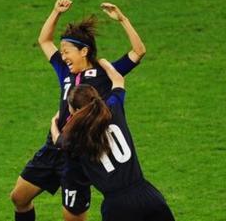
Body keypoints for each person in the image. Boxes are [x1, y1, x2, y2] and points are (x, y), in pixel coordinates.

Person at [10, 0, 146, 221]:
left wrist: (123, 19)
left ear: (84, 51)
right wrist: (56, 12)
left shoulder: (105, 73)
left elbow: (138, 52)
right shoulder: (64, 70)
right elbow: (44, 41)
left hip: (78, 156)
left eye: (66, 51)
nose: (62, 56)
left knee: (72, 219)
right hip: (53, 147)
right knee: (19, 198)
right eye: (61, 52)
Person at [50, 59, 175, 221]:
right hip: (147, 195)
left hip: (117, 207)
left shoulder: (75, 139)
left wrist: (54, 122)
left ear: (76, 111)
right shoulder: (114, 109)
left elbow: (57, 140)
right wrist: (104, 64)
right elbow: (118, 80)